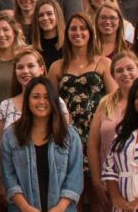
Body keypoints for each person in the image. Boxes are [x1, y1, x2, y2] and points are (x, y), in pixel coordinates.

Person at [0, 77, 84, 212]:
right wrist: (25, 207)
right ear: (27, 100)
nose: (41, 102)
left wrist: (60, 208)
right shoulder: (11, 135)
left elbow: (75, 176)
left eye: (46, 97)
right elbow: (8, 177)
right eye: (36, 97)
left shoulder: (70, 136)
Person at [49, 13, 117, 177]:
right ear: (67, 34)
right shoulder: (57, 67)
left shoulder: (104, 63)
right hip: (69, 133)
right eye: (73, 29)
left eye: (83, 28)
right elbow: (51, 104)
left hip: (97, 131)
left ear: (90, 33)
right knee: (72, 191)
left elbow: (114, 99)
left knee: (99, 190)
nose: (78, 33)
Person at [88, 51, 138, 211]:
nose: (125, 74)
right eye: (119, 70)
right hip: (112, 181)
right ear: (113, 75)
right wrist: (97, 181)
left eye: (130, 68)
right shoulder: (105, 103)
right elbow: (93, 143)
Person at [30, 0, 66, 66]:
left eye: (49, 14)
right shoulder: (33, 49)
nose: (45, 18)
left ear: (57, 16)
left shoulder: (68, 45)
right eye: (41, 15)